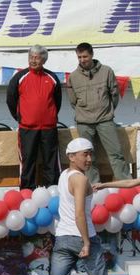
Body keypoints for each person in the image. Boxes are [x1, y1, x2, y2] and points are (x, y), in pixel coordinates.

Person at [34, 138, 122, 275]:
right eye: (85, 154)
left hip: (63, 238)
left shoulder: (64, 175)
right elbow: (79, 213)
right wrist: (86, 242)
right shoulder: (80, 179)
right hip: (83, 237)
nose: (89, 158)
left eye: (90, 154)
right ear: (71, 157)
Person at [67, 42, 130, 183]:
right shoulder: (73, 77)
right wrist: (84, 113)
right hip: (84, 123)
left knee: (116, 154)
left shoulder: (107, 71)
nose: (82, 60)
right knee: (88, 158)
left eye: (85, 56)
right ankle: (93, 187)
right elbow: (73, 101)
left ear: (92, 55)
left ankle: (126, 185)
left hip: (105, 120)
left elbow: (114, 95)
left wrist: (106, 111)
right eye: (79, 57)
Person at [7, 45, 61, 190]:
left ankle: (53, 190)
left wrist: (50, 116)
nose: (33, 60)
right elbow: (10, 99)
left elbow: (58, 101)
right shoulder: (19, 77)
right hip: (27, 128)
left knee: (51, 162)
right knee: (28, 161)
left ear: (44, 60)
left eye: (36, 58)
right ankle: (27, 191)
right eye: (31, 57)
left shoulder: (52, 78)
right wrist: (20, 117)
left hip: (49, 128)